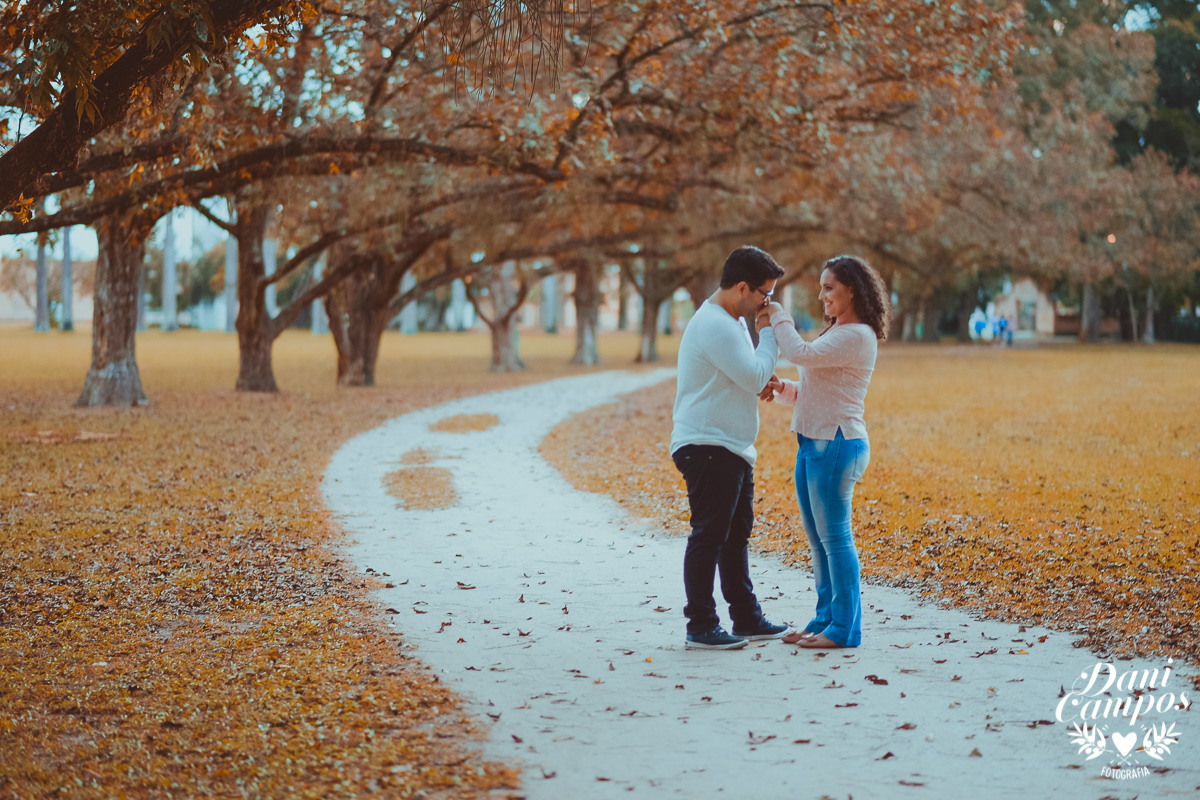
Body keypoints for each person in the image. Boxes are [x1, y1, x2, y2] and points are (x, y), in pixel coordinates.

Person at [754, 255, 890, 649]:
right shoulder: (836, 333)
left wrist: (778, 314)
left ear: (853, 290)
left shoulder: (857, 335)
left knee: (837, 541)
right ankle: (824, 620)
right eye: (822, 287)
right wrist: (783, 389)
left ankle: (844, 630)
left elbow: (800, 354)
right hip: (813, 443)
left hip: (837, 445)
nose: (822, 295)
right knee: (820, 542)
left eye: (829, 288)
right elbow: (814, 386)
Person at [671, 246, 792, 650]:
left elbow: (749, 376)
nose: (767, 303)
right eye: (764, 294)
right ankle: (701, 625)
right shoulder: (717, 325)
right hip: (708, 444)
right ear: (742, 287)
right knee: (709, 536)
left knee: (734, 536)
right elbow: (755, 371)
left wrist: (759, 375)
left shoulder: (729, 321)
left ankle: (746, 618)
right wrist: (770, 331)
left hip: (730, 445)